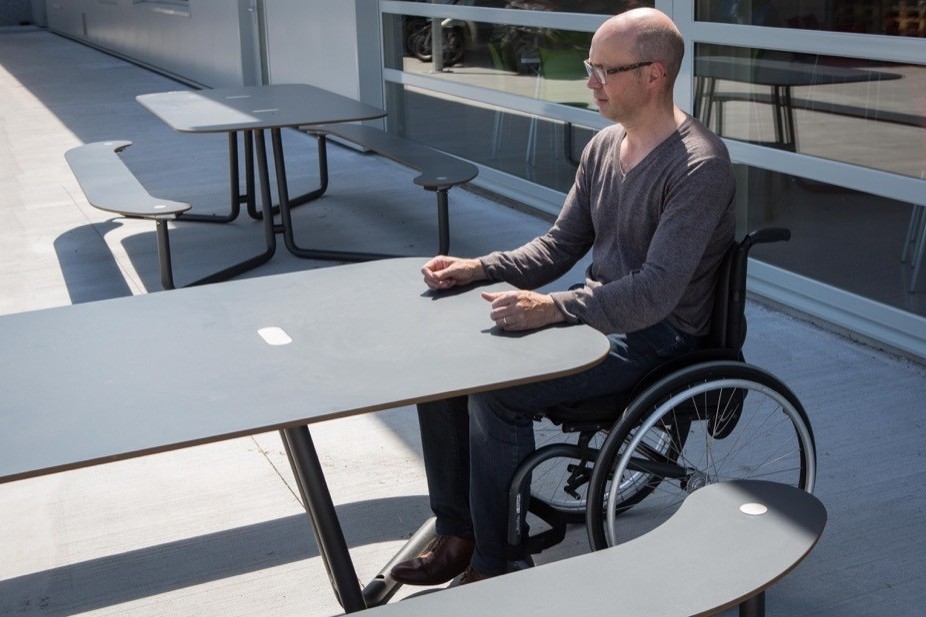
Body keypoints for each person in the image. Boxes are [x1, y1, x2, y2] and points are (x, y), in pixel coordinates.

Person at [391, 7, 737, 586]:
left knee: (497, 397)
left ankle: (499, 567)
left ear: (654, 74)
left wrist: (554, 307)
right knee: (445, 370)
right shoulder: (605, 146)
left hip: (659, 336)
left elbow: (654, 293)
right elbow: (559, 246)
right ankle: (460, 532)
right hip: (600, 314)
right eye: (589, 66)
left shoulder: (699, 167)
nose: (589, 81)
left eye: (604, 70)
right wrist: (480, 268)